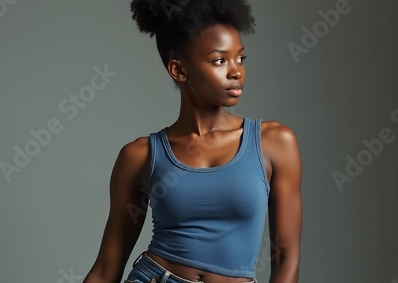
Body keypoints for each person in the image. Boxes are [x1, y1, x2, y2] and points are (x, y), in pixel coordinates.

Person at [84, 0, 303, 282]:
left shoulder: (274, 142)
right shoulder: (140, 156)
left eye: (241, 58)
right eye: (220, 60)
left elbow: (287, 256)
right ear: (179, 70)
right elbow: (105, 270)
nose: (236, 71)